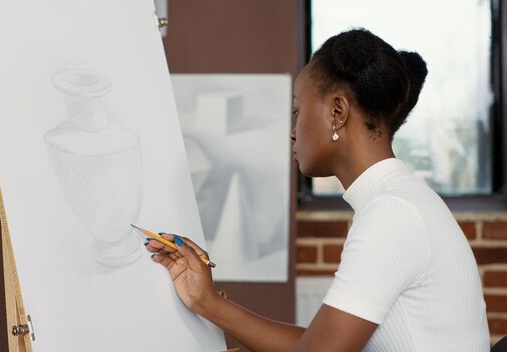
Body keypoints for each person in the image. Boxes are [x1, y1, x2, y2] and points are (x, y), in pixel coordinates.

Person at [146, 28, 490, 351]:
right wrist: (206, 302)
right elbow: (318, 342)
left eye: (297, 110)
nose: (292, 131)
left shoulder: (393, 213)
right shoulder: (396, 202)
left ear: (337, 112)